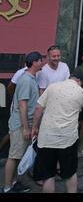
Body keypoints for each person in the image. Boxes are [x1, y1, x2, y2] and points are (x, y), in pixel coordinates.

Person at [31, 71, 83, 193]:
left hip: (47, 138)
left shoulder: (52, 87)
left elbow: (38, 107)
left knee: (48, 176)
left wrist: (34, 127)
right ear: (79, 82)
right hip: (68, 139)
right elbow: (77, 109)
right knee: (70, 173)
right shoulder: (81, 92)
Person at [3, 51, 44, 193]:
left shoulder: (31, 77)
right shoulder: (26, 80)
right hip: (20, 125)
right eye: (40, 60)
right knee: (13, 156)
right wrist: (26, 128)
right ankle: (7, 188)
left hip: (24, 124)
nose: (42, 62)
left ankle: (13, 183)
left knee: (17, 155)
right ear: (34, 62)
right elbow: (22, 105)